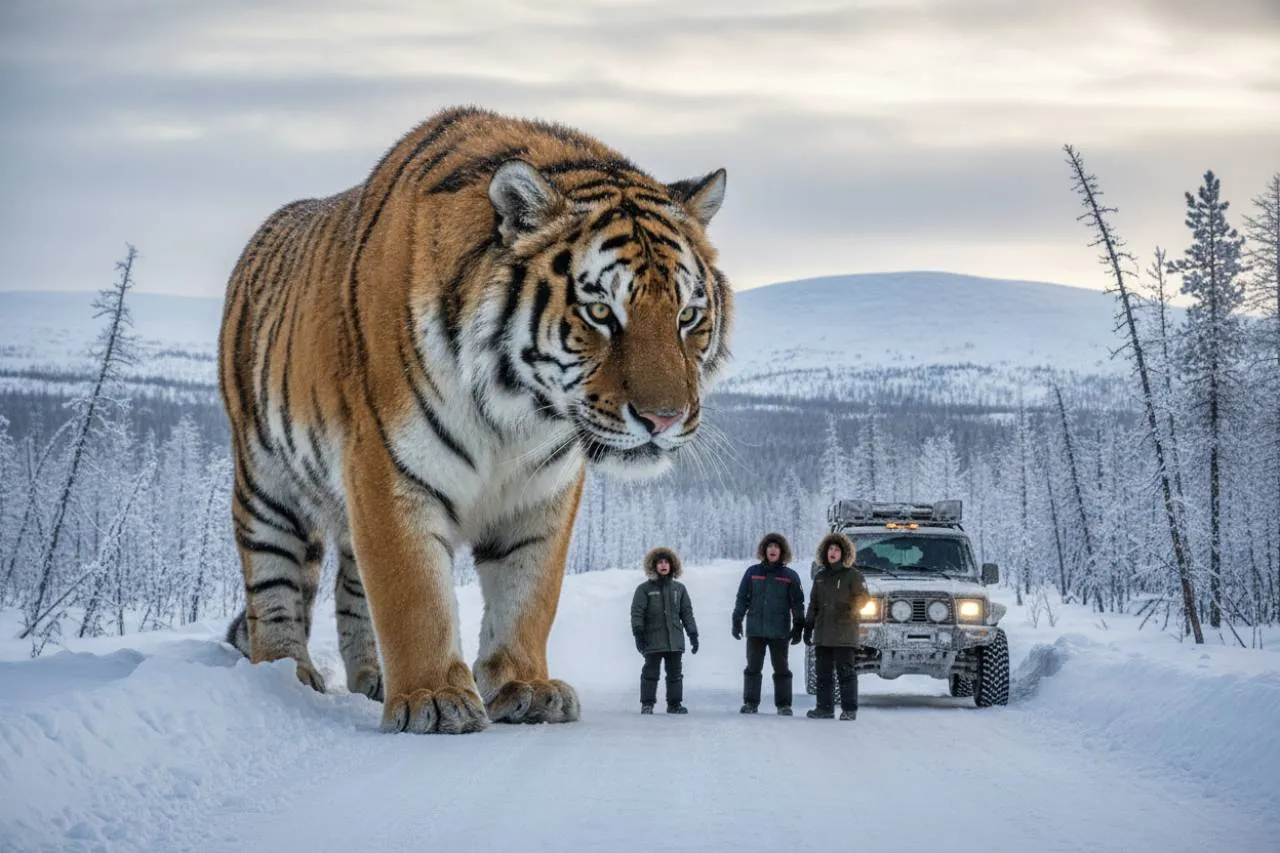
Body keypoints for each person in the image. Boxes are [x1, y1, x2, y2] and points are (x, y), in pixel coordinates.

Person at [732, 532, 805, 715]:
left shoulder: (790, 576)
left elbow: (797, 603)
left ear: (782, 552)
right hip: (755, 630)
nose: (772, 550)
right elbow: (742, 598)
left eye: (776, 547)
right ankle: (750, 703)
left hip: (779, 631)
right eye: (769, 546)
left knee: (781, 668)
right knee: (753, 667)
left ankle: (783, 705)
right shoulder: (752, 572)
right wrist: (737, 620)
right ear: (764, 550)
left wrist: (798, 626)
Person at [803, 532, 868, 721]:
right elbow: (813, 604)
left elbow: (864, 598)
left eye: (837, 550)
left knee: (845, 673)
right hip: (823, 634)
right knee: (823, 674)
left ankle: (849, 709)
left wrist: (851, 611)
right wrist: (808, 626)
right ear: (825, 552)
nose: (833, 552)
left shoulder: (853, 576)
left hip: (844, 633)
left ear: (844, 553)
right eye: (830, 549)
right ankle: (824, 708)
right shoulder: (820, 576)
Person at [631, 547, 698, 714]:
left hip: (674, 640)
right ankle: (647, 704)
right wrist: (638, 634)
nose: (663, 565)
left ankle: (674, 704)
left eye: (666, 562)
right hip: (652, 640)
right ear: (653, 566)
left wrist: (693, 634)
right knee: (650, 673)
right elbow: (637, 613)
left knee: (675, 674)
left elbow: (687, 613)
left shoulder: (679, 589)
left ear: (672, 565)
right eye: (659, 562)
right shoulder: (644, 589)